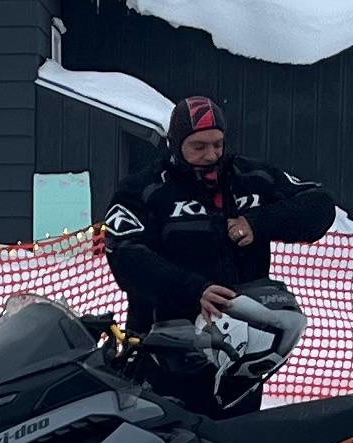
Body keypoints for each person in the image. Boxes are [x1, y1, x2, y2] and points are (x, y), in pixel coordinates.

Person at [99, 98, 335, 348]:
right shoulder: (143, 189)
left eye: (217, 144)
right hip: (163, 344)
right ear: (176, 146)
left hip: (240, 346)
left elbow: (319, 204)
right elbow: (126, 255)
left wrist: (259, 222)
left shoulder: (250, 177)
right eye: (198, 147)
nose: (211, 155)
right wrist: (194, 290)